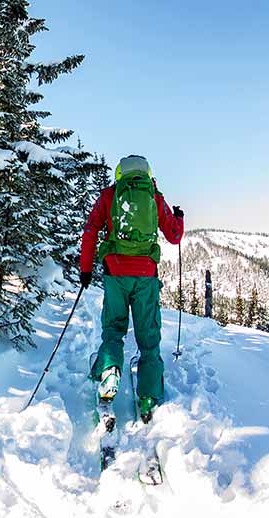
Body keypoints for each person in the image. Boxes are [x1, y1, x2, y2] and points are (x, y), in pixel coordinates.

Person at [80, 155, 184, 422]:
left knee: (113, 329)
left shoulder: (109, 196)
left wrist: (86, 269)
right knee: (149, 336)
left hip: (116, 273)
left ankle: (109, 376)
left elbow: (91, 231)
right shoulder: (154, 197)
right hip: (146, 275)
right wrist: (179, 218)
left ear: (120, 173)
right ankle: (148, 396)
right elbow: (174, 236)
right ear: (147, 173)